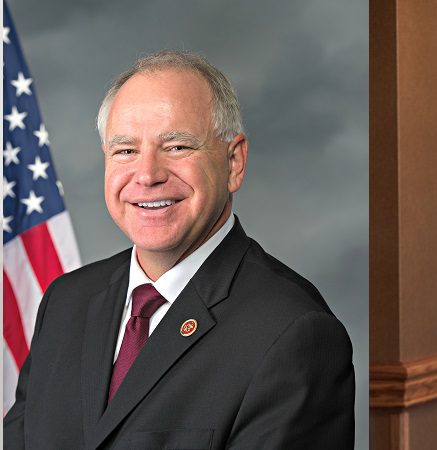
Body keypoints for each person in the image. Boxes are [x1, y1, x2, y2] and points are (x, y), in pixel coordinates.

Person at [4, 50, 355, 449]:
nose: (148, 174)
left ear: (234, 162)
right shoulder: (66, 301)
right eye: (125, 150)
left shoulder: (294, 333)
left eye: (177, 147)